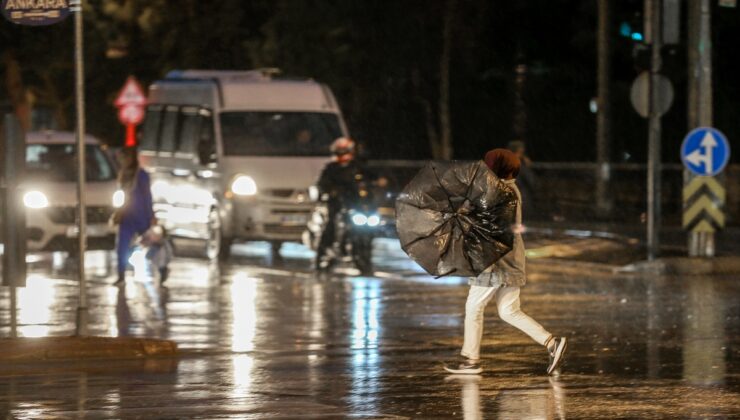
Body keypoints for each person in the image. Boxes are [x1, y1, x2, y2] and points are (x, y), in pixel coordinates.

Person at [444, 148, 567, 375]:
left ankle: (470, 360)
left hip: (494, 259)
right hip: (510, 257)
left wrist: (464, 216)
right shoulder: (509, 189)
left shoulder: (497, 191)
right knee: (508, 311)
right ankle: (551, 342)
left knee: (474, 307)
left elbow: (491, 227)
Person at [314, 137, 367, 270]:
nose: (343, 155)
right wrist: (331, 190)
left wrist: (380, 181)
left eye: (345, 151)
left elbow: (370, 178)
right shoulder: (331, 168)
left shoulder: (358, 167)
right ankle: (323, 251)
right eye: (340, 152)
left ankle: (363, 250)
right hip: (336, 203)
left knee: (367, 224)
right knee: (331, 225)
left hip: (354, 204)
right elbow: (322, 184)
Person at [112, 146, 155, 286]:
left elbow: (147, 196)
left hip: (141, 216)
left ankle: (160, 268)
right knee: (121, 247)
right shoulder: (123, 175)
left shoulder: (141, 175)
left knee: (149, 244)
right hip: (126, 217)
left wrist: (151, 216)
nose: (123, 161)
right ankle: (121, 276)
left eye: (126, 158)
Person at [508, 140, 538, 219]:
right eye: (521, 153)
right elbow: (533, 182)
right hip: (520, 201)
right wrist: (528, 167)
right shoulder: (519, 165)